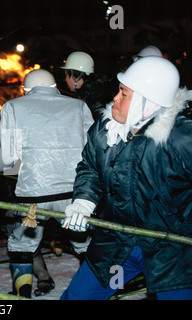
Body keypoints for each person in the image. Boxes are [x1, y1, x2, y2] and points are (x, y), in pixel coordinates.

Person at [60, 56, 192, 300]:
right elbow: (90, 167)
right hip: (117, 242)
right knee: (79, 297)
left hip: (171, 249)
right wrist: (83, 201)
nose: (115, 100)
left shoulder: (180, 138)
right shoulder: (106, 130)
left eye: (124, 93)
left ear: (147, 103)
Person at [0, 69, 94, 298]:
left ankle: (23, 293)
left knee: (22, 244)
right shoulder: (78, 106)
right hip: (74, 194)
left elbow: (7, 156)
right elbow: (92, 149)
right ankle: (91, 292)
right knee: (85, 244)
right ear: (54, 87)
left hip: (34, 198)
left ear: (26, 90)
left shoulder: (13, 106)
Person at [61, 51, 116, 120]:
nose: (65, 80)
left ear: (75, 77)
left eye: (66, 76)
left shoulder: (98, 93)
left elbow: (101, 125)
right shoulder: (90, 91)